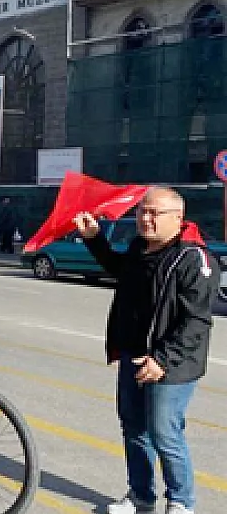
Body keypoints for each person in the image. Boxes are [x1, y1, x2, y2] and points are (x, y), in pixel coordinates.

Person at [74, 187, 216, 514]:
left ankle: (181, 502)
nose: (146, 218)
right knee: (134, 428)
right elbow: (118, 270)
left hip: (172, 365)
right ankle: (141, 497)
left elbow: (195, 322)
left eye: (155, 213)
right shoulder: (140, 247)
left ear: (178, 219)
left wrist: (162, 360)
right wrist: (95, 238)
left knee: (165, 433)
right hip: (134, 354)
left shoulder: (193, 258)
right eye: (142, 211)